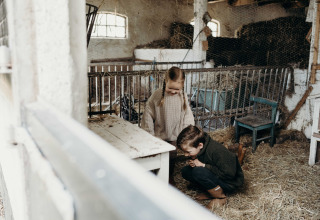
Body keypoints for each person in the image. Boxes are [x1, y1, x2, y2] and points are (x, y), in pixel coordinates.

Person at [141, 66, 195, 185]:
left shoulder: (183, 96)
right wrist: (149, 133)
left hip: (175, 135)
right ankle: (154, 177)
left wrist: (187, 131)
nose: (173, 91)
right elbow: (148, 113)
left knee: (171, 158)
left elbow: (187, 114)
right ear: (165, 81)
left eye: (177, 89)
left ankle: (168, 177)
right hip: (160, 135)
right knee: (156, 156)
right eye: (171, 88)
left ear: (182, 85)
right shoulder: (157, 95)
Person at [176, 125, 244, 209]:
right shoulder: (202, 145)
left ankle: (220, 197)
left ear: (200, 145)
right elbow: (206, 160)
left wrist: (203, 165)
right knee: (185, 171)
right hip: (218, 175)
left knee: (198, 172)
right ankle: (210, 192)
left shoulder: (217, 151)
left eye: (188, 152)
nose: (185, 155)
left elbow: (229, 174)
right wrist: (194, 162)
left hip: (230, 183)